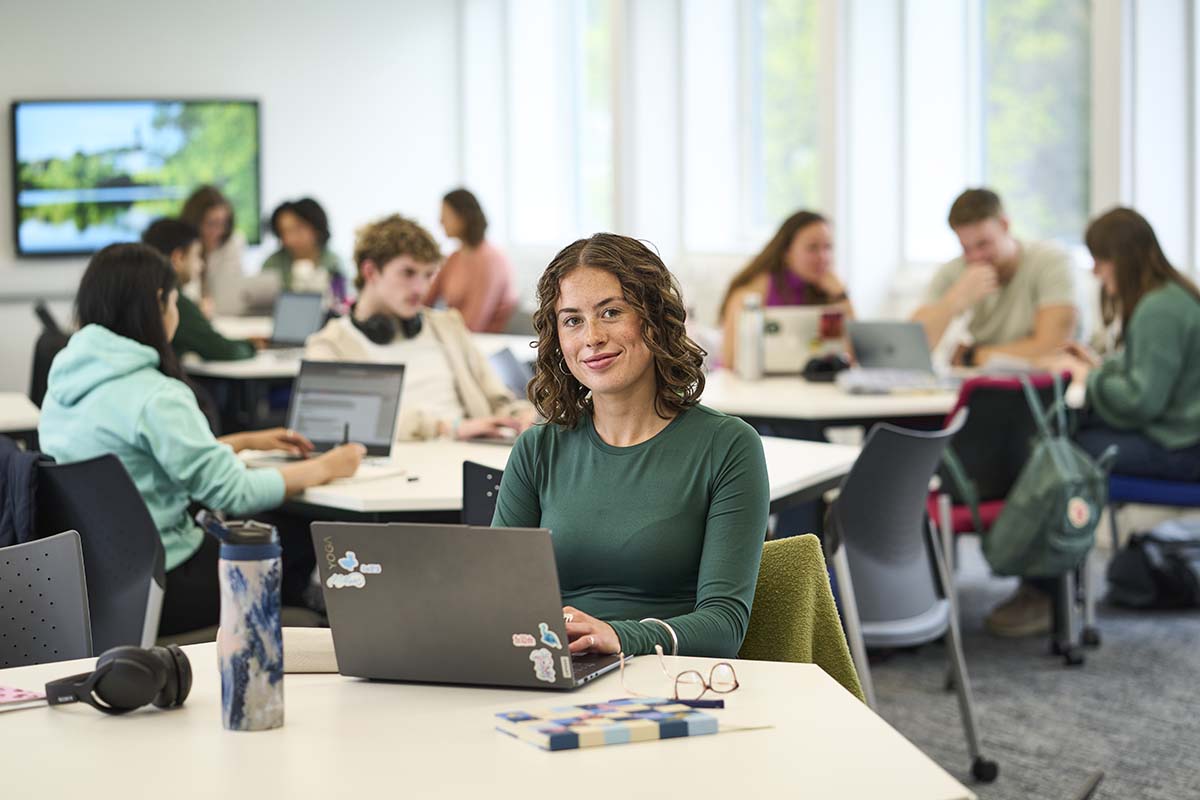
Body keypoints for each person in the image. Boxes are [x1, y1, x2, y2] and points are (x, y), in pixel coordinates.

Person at [38, 243, 364, 635]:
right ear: (160, 301)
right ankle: (304, 628)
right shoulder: (157, 395)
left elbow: (133, 464)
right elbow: (235, 492)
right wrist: (328, 466)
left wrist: (242, 441)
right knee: (283, 534)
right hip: (169, 580)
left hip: (98, 578)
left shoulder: (65, 383)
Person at [492, 233, 770, 658]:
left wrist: (621, 636)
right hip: (554, 667)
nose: (592, 337)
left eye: (611, 312)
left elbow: (724, 626)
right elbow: (498, 599)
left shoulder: (727, 446)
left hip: (666, 677)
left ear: (654, 320)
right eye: (572, 320)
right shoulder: (537, 448)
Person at [987, 207, 1200, 637]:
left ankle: (1044, 593)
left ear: (1122, 257)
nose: (1098, 273)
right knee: (1063, 440)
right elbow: (1153, 382)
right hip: (1179, 437)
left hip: (1180, 448)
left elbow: (1141, 402)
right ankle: (1046, 585)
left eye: (1101, 261)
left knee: (1062, 456)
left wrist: (1091, 377)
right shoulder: (1172, 297)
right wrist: (1101, 367)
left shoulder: (1159, 309)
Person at [305, 213, 534, 441]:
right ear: (370, 272)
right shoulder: (328, 346)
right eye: (408, 273)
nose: (420, 288)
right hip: (401, 465)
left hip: (470, 455)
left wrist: (520, 416)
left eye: (428, 275)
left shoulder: (448, 326)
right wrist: (448, 428)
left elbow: (498, 400)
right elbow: (350, 424)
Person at [912, 188, 1077, 367]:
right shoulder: (955, 271)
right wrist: (955, 300)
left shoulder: (1050, 262)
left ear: (1005, 225)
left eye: (983, 244)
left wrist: (973, 356)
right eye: (966, 248)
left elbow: (1051, 348)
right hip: (987, 381)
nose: (975, 257)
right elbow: (911, 348)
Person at [718, 210, 853, 368]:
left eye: (828, 247)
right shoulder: (755, 290)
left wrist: (841, 296)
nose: (823, 256)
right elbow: (730, 360)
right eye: (812, 248)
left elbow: (853, 357)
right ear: (786, 252)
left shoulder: (829, 288)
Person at [141, 218, 257, 362]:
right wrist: (253, 345)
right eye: (197, 256)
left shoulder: (141, 291)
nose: (201, 265)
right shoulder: (174, 300)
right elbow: (224, 351)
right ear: (178, 257)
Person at [425, 188, 518, 333]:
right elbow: (425, 300)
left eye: (446, 215)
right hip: (458, 336)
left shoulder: (490, 260)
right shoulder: (454, 258)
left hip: (484, 343)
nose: (440, 221)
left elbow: (474, 323)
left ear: (463, 218)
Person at [262, 197, 347, 305]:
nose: (290, 238)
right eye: (283, 232)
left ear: (316, 228)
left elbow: (342, 300)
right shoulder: (272, 264)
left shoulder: (334, 264)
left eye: (297, 229)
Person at [180, 185, 246, 317]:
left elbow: (232, 288)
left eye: (224, 223)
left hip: (224, 316)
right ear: (195, 221)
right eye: (211, 223)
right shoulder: (183, 245)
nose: (218, 231)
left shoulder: (232, 242)